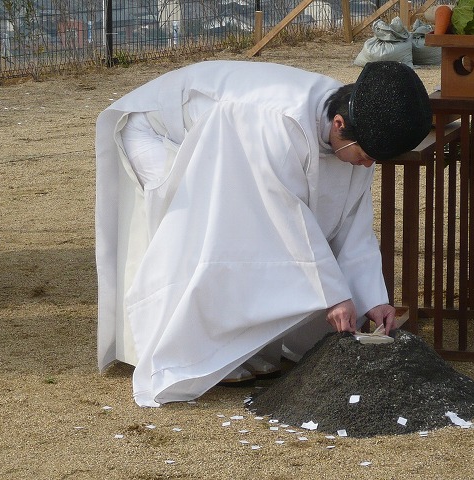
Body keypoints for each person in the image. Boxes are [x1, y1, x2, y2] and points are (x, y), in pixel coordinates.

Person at [95, 60, 432, 407]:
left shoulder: (353, 127)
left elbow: (352, 221)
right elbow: (283, 217)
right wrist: (334, 294)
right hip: (159, 134)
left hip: (226, 142)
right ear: (339, 124)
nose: (366, 166)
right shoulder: (278, 121)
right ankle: (195, 350)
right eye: (363, 156)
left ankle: (243, 348)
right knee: (215, 227)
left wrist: (373, 298)